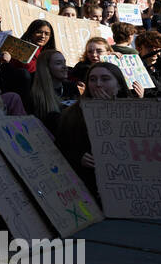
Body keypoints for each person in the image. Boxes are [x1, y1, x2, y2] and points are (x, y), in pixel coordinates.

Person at [56, 61, 132, 196]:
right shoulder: (72, 113)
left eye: (105, 79)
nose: (98, 84)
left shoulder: (134, 113)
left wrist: (109, 112)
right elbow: (59, 148)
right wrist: (78, 157)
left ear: (119, 85)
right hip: (86, 186)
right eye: (93, 79)